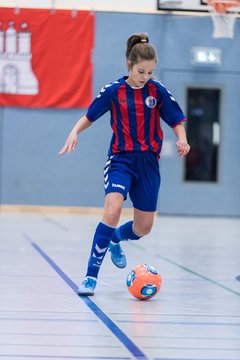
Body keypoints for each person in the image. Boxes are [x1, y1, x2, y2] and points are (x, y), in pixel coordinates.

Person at [59, 33, 190, 296]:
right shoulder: (113, 91)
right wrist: (75, 132)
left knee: (143, 228)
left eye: (151, 72)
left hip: (148, 164)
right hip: (121, 159)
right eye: (141, 71)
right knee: (113, 210)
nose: (146, 76)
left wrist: (182, 140)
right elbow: (89, 116)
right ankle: (90, 277)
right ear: (129, 64)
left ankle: (115, 239)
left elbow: (175, 119)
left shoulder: (158, 91)